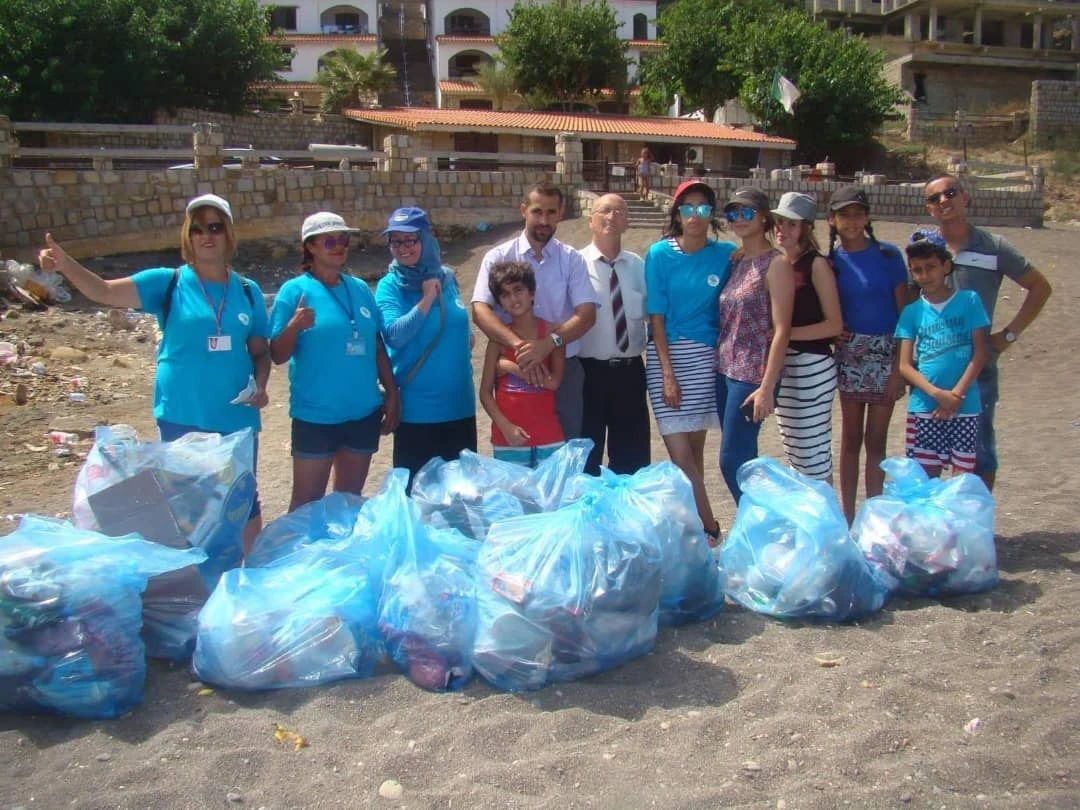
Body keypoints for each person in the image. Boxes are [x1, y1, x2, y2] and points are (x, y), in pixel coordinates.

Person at [37, 194, 271, 553]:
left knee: (241, 500)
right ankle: (197, 580)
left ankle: (249, 576)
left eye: (215, 227)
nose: (206, 235)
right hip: (183, 414)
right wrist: (66, 264)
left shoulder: (247, 291)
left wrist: (262, 383)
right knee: (189, 503)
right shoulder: (169, 282)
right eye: (197, 229)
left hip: (236, 417)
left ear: (229, 235)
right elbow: (103, 291)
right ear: (187, 236)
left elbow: (260, 351)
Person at [923, 174, 1053, 490]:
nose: (944, 201)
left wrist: (1009, 335)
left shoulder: (994, 247)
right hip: (932, 369)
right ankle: (935, 531)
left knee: (979, 455)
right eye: (934, 198)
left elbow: (1039, 287)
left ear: (965, 198)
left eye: (950, 193)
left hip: (977, 368)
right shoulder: (923, 248)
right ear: (929, 210)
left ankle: (975, 529)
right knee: (928, 458)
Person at [269, 211, 400, 511]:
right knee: (305, 507)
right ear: (311, 247)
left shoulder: (359, 289)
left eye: (344, 239)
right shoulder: (294, 291)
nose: (340, 246)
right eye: (330, 241)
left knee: (348, 504)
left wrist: (392, 393)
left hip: (363, 414)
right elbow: (277, 354)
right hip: (316, 417)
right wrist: (294, 327)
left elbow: (376, 346)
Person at [472, 181, 597, 441]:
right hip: (509, 370)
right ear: (523, 210)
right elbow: (480, 309)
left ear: (561, 213)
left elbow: (586, 314)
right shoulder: (497, 256)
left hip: (563, 371)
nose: (544, 220)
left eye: (551, 212)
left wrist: (549, 343)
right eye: (537, 211)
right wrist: (520, 347)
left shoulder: (572, 259)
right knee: (516, 454)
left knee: (564, 454)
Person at [646, 179, 735, 543]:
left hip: (706, 360)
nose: (695, 215)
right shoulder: (658, 254)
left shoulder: (727, 254)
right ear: (677, 213)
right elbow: (656, 319)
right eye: (688, 208)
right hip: (667, 358)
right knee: (680, 454)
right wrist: (667, 373)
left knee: (696, 454)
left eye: (702, 208)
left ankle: (693, 530)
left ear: (710, 214)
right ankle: (711, 526)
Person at [374, 207, 476, 485]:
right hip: (417, 413)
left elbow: (461, 325)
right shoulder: (390, 286)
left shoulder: (447, 277)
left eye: (411, 240)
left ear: (426, 239)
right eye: (396, 241)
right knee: (418, 497)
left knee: (460, 499)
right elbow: (394, 335)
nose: (403, 248)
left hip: (459, 407)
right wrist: (427, 298)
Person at [827, 185, 910, 523]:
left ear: (867, 216)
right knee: (850, 440)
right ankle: (848, 520)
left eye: (858, 213)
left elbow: (906, 314)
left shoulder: (889, 256)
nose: (851, 221)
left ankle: (873, 518)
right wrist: (835, 331)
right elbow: (823, 307)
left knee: (876, 441)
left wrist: (900, 369)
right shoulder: (830, 262)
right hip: (850, 353)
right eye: (844, 214)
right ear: (832, 220)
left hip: (886, 352)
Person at [715, 188, 794, 504]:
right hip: (724, 370)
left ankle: (764, 522)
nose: (739, 219)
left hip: (752, 374)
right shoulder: (736, 260)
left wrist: (767, 387)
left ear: (764, 218)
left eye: (747, 213)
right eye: (733, 213)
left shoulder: (776, 265)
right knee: (745, 459)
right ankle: (757, 529)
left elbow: (782, 330)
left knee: (731, 460)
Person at [895, 230, 989, 477]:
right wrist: (937, 394)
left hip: (965, 405)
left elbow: (980, 354)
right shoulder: (911, 312)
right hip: (924, 406)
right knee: (924, 483)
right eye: (917, 270)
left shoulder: (970, 301)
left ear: (946, 265)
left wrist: (955, 396)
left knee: (961, 482)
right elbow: (904, 366)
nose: (925, 275)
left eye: (931, 267)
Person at [770, 192, 843, 483]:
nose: (781, 229)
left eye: (791, 223)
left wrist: (784, 335)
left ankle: (827, 522)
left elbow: (834, 325)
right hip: (785, 365)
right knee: (795, 451)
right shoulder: (778, 263)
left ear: (806, 227)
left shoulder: (816, 265)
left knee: (813, 453)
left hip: (812, 365)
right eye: (778, 222)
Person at [576, 194, 650, 476]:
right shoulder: (575, 264)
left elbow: (652, 315)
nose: (612, 216)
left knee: (633, 459)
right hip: (587, 374)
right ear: (591, 220)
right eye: (604, 211)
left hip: (630, 374)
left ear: (627, 221)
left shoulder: (638, 266)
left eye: (619, 211)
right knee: (586, 460)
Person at [479, 261, 566, 468]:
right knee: (513, 500)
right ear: (499, 303)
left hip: (549, 436)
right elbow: (484, 392)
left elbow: (554, 383)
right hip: (509, 438)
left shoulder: (553, 334)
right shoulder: (497, 340)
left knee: (554, 499)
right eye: (505, 294)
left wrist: (508, 367)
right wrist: (505, 426)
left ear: (532, 293)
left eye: (518, 290)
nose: (513, 298)